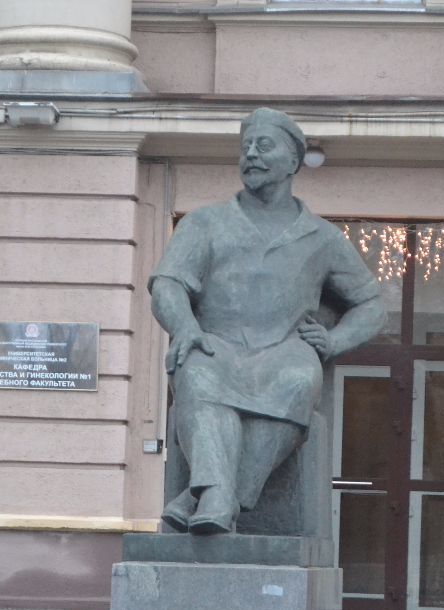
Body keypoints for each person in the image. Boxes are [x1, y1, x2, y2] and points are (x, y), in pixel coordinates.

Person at [149, 107, 385, 534]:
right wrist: (185, 328)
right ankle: (219, 495)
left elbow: (371, 305)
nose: (251, 155)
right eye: (246, 147)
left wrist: (332, 341)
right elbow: (168, 285)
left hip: (283, 350)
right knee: (200, 377)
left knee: (297, 380)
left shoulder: (322, 237)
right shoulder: (206, 222)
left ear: (294, 162)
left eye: (264, 145)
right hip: (215, 343)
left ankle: (213, 495)